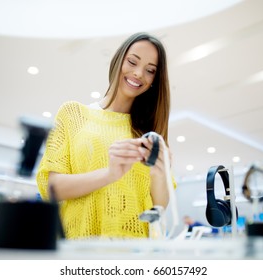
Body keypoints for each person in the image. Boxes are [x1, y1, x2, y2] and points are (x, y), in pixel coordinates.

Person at [36, 32, 175, 239]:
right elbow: (51, 188)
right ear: (118, 60)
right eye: (132, 62)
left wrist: (159, 172)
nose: (138, 74)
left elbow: (159, 206)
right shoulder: (73, 114)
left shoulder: (149, 134)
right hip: (81, 246)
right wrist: (110, 174)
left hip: (137, 252)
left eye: (150, 70)